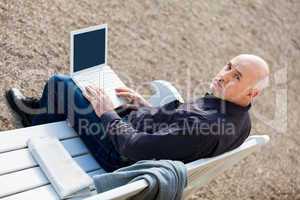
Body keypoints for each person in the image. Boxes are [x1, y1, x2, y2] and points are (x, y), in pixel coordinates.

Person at [6, 54, 269, 172]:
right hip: (137, 129)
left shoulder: (204, 125)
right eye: (228, 66)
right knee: (92, 92)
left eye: (236, 76)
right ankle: (53, 112)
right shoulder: (240, 118)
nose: (223, 76)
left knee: (61, 84)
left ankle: (35, 120)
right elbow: (177, 133)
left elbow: (132, 147)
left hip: (117, 153)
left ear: (252, 92)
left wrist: (107, 112)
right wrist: (147, 108)